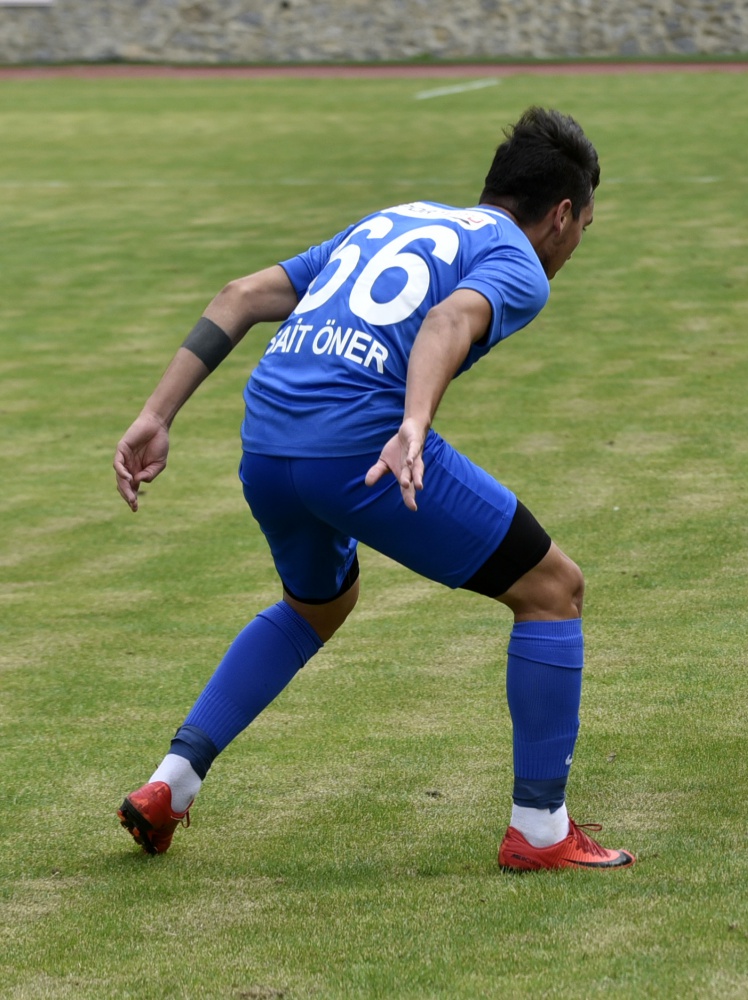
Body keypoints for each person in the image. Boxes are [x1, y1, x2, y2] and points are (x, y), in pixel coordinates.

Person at [112, 107, 633, 869]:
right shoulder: (518, 260)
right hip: (359, 449)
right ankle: (542, 831)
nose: (577, 242)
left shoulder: (393, 219)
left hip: (266, 442)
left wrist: (156, 415)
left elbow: (240, 295)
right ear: (562, 215)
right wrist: (414, 425)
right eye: (586, 224)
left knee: (318, 604)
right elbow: (449, 320)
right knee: (553, 589)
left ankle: (172, 783)